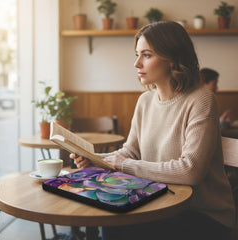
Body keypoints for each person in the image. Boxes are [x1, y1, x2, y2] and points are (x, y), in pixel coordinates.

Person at [70, 21, 235, 240]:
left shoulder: (202, 99)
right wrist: (96, 159)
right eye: (137, 54)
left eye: (146, 55)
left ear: (173, 58)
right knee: (111, 220)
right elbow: (131, 152)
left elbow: (190, 171)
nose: (137, 63)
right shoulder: (145, 101)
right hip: (159, 202)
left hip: (202, 214)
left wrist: (121, 164)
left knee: (117, 226)